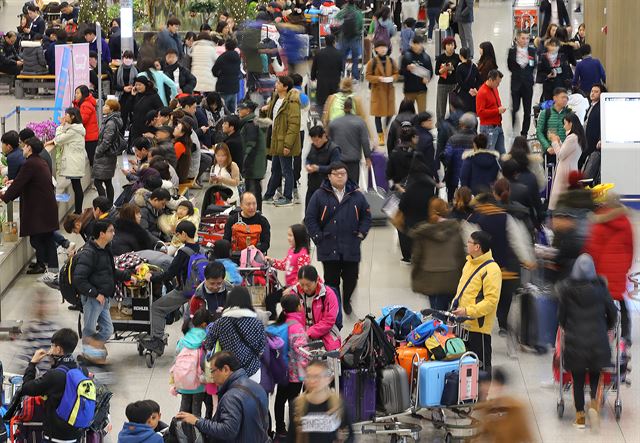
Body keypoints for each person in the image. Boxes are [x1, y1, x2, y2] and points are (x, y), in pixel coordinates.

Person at [557, 254, 616, 430]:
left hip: (576, 342)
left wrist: (567, 326)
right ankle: (595, 408)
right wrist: (606, 327)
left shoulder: (566, 290)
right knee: (596, 377)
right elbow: (612, 313)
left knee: (578, 379)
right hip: (597, 341)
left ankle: (580, 416)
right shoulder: (601, 288)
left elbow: (561, 317)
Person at [305, 162, 372, 315]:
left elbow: (366, 216)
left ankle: (346, 299)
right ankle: (335, 306)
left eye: (343, 173)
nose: (340, 176)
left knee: (351, 278)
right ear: (329, 176)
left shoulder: (356, 195)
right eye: (336, 174)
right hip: (328, 245)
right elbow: (310, 218)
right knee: (331, 281)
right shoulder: (319, 195)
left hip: (351, 244)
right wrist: (318, 238)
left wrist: (361, 233)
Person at [74, 220, 134, 363]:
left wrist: (128, 275)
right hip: (93, 299)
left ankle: (92, 351)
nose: (113, 233)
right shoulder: (89, 253)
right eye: (111, 231)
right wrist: (95, 294)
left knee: (107, 329)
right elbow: (79, 279)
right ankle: (88, 355)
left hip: (104, 298)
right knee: (89, 330)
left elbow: (110, 272)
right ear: (101, 234)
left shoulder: (106, 249)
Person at [175, 352, 270, 441]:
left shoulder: (231, 397)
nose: (211, 376)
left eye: (212, 371)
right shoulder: (257, 387)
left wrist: (197, 421)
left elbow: (228, 430)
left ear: (225, 369)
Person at [12, 329, 87, 443]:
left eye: (52, 346)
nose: (50, 350)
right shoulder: (82, 371)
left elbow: (26, 388)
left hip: (54, 438)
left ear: (58, 349)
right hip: (76, 436)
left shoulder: (54, 376)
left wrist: (32, 363)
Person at [141, 220, 201, 354]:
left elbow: (169, 274)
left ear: (184, 234)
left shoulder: (183, 252)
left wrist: (152, 277)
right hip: (198, 290)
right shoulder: (199, 248)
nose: (177, 237)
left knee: (157, 308)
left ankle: (157, 341)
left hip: (184, 291)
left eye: (178, 234)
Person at [1, 137, 58, 274]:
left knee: (38, 238)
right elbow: (23, 180)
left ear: (30, 148)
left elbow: (19, 184)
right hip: (45, 206)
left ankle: (44, 264)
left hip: (39, 209)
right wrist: (14, 182)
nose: (22, 149)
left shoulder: (30, 164)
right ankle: (46, 264)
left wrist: (4, 196)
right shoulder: (38, 161)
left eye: (24, 146)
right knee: (45, 236)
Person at [584, 193, 634, 343]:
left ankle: (604, 330)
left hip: (602, 271)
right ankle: (626, 334)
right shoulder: (625, 222)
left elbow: (593, 249)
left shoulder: (598, 221)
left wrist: (593, 270)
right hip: (619, 269)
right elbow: (630, 247)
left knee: (601, 301)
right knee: (621, 300)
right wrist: (626, 266)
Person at [450, 231, 502, 373]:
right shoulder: (469, 263)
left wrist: (467, 311)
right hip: (462, 324)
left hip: (478, 329)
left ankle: (482, 395)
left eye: (469, 242)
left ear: (477, 247)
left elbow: (491, 302)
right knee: (463, 367)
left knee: (481, 369)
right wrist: (453, 310)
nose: (467, 244)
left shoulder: (492, 270)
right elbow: (461, 290)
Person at [411, 198, 466, 310]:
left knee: (437, 315)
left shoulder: (423, 233)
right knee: (453, 313)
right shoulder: (455, 229)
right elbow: (461, 255)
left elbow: (417, 258)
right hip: (452, 277)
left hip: (431, 279)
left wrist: (415, 275)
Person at [203, 286, 266, 381]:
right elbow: (262, 348)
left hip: (227, 372)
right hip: (253, 371)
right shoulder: (257, 323)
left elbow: (208, 344)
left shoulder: (221, 323)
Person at [287, 359, 354, 442]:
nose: (312, 381)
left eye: (317, 376)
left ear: (328, 379)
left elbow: (351, 436)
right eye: (308, 376)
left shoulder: (339, 405)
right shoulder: (297, 405)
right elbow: (290, 438)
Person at [271, 294, 309, 437]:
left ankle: (280, 429)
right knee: (294, 401)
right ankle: (293, 431)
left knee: (280, 399)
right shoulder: (297, 326)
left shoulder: (281, 323)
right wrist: (308, 366)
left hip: (282, 370)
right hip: (295, 373)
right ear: (299, 307)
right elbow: (302, 351)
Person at [262, 76, 302, 207]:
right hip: (275, 140)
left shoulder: (292, 102)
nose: (276, 84)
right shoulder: (275, 98)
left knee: (286, 170)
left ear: (285, 87)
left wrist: (288, 144)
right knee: (275, 169)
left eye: (279, 83)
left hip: (284, 142)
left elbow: (294, 125)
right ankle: (268, 194)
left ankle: (288, 197)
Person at [45, 107, 87, 214]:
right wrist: (53, 141)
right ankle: (78, 211)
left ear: (73, 117)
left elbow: (60, 139)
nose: (64, 117)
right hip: (75, 160)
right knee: (76, 185)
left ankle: (78, 212)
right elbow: (63, 137)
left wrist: (60, 126)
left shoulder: (74, 130)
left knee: (77, 186)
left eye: (67, 115)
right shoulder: (75, 128)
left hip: (74, 162)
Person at [288, 265, 342, 350]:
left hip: (325, 331)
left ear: (317, 280)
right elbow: (290, 316)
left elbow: (328, 321)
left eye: (308, 285)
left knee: (330, 355)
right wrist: (299, 334)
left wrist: (308, 333)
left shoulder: (328, 294)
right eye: (302, 284)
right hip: (301, 333)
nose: (305, 288)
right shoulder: (294, 294)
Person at [395, 154, 437, 263]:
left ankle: (407, 257)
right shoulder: (430, 181)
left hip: (410, 218)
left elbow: (402, 205)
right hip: (426, 216)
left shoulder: (410, 181)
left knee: (400, 227)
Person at [171, 308, 211, 417]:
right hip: (198, 382)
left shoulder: (184, 338)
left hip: (184, 381)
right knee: (196, 411)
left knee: (184, 408)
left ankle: (180, 430)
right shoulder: (206, 337)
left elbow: (177, 355)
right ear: (204, 324)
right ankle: (195, 432)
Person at [328, 98, 370, 184]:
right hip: (353, 160)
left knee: (339, 185)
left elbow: (329, 142)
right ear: (353, 108)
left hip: (338, 160)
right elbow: (365, 140)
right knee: (353, 186)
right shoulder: (360, 122)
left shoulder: (334, 123)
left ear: (343, 108)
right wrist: (367, 157)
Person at [366, 40, 399, 146]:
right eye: (380, 47)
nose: (383, 49)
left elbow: (396, 73)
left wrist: (392, 78)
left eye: (385, 47)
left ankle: (385, 129)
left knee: (390, 113)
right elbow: (368, 76)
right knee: (378, 115)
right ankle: (380, 135)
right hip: (378, 92)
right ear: (376, 49)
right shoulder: (372, 62)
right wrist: (378, 78)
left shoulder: (391, 61)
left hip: (389, 91)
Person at [548, 113, 584, 210]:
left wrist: (555, 141)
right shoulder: (577, 137)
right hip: (570, 168)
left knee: (560, 198)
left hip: (565, 170)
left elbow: (561, 155)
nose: (564, 127)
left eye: (565, 124)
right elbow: (566, 151)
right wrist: (559, 142)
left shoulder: (572, 138)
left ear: (570, 123)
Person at [238, 100, 267, 212]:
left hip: (253, 163)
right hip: (256, 162)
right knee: (255, 189)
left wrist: (245, 163)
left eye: (241, 109)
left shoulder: (250, 124)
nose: (239, 111)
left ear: (248, 111)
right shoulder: (253, 122)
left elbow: (250, 145)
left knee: (252, 190)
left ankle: (254, 212)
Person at [93, 99, 122, 204]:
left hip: (105, 156)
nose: (103, 107)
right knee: (107, 181)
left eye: (106, 105)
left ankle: (104, 204)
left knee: (98, 182)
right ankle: (108, 204)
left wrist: (98, 151)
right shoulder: (112, 120)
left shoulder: (110, 123)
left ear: (111, 109)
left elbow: (106, 141)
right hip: (109, 156)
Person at [266, 224, 312, 290]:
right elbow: (284, 265)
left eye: (290, 235)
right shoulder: (291, 250)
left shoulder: (303, 255)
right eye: (288, 235)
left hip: (296, 289)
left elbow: (302, 276)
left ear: (298, 237)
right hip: (289, 286)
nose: (288, 238)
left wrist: (292, 288)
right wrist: (272, 261)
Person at [508, 30, 536, 137]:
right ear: (518, 39)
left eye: (527, 38)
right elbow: (510, 66)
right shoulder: (512, 52)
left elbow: (534, 66)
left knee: (527, 110)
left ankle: (524, 132)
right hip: (516, 84)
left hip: (528, 85)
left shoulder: (532, 51)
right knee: (514, 108)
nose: (525, 41)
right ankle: (514, 127)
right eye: (523, 38)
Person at [305, 125, 341, 207]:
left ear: (324, 136)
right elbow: (308, 158)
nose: (315, 143)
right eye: (313, 140)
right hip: (312, 185)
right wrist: (307, 165)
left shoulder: (334, 149)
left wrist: (318, 168)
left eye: (317, 140)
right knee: (309, 211)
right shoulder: (313, 146)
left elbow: (335, 168)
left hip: (327, 187)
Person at [443, 112, 476, 201]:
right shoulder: (477, 140)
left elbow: (447, 157)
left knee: (451, 201)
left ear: (461, 124)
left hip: (453, 178)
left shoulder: (453, 139)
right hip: (471, 179)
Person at [476, 69, 506, 154]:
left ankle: (502, 167)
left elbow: (495, 103)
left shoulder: (494, 88)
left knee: (502, 153)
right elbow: (480, 112)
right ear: (490, 80)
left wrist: (499, 109)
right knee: (489, 153)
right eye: (497, 82)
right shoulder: (482, 92)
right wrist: (497, 111)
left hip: (498, 126)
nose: (498, 85)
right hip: (489, 128)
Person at [400, 35, 432, 113]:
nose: (419, 46)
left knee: (422, 113)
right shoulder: (406, 56)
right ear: (412, 44)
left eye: (420, 44)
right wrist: (407, 68)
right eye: (417, 44)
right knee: (408, 113)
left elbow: (430, 72)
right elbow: (400, 72)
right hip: (409, 91)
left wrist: (428, 79)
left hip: (422, 90)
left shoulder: (426, 57)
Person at [536, 87, 569, 162]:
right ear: (555, 98)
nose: (565, 100)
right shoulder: (545, 113)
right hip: (550, 152)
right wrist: (547, 147)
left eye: (566, 98)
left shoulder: (569, 113)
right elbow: (539, 132)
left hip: (565, 152)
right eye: (563, 97)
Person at [310, 33, 342, 109]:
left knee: (322, 104)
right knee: (334, 103)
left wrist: (313, 77)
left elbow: (314, 68)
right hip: (335, 82)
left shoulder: (319, 53)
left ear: (325, 42)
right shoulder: (339, 54)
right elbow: (341, 68)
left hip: (322, 83)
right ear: (334, 41)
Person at [335, 0, 364, 81]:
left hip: (343, 38)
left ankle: (341, 75)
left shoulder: (342, 11)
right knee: (355, 58)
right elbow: (361, 25)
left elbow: (336, 22)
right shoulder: (358, 13)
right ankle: (355, 77)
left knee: (342, 57)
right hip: (355, 38)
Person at [536, 38, 572, 102]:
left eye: (556, 46)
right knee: (549, 105)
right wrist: (547, 76)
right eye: (551, 45)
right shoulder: (543, 57)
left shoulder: (562, 57)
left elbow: (567, 72)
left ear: (559, 47)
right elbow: (540, 72)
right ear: (547, 46)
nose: (554, 48)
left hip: (560, 85)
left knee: (560, 103)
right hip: (548, 86)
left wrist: (568, 87)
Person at [212, 38, 242, 113]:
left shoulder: (222, 57)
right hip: (234, 87)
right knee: (232, 111)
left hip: (223, 87)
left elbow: (214, 70)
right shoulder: (237, 57)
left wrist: (219, 75)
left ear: (225, 46)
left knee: (223, 110)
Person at [435, 37, 460, 122]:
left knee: (453, 107)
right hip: (442, 84)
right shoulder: (440, 58)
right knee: (441, 107)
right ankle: (440, 125)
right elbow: (436, 72)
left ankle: (453, 126)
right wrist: (442, 70)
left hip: (454, 84)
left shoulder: (457, 57)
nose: (450, 47)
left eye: (452, 45)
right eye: (448, 45)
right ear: (444, 46)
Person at [387, 123, 418, 191]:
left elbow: (389, 176)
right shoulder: (417, 155)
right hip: (414, 191)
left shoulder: (394, 153)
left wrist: (395, 187)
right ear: (412, 138)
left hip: (398, 192)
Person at [580, 83, 604, 169]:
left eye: (596, 92)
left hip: (594, 142)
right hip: (587, 140)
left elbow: (603, 124)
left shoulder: (600, 107)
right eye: (592, 91)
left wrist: (600, 139)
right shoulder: (592, 105)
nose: (592, 93)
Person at [454, 47, 481, 114]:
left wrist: (468, 89)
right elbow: (479, 79)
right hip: (472, 95)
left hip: (463, 94)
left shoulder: (459, 68)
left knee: (462, 115)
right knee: (472, 115)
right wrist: (475, 88)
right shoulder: (473, 66)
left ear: (460, 56)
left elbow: (459, 82)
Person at [173, 119, 193, 184]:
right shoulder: (185, 143)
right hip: (182, 176)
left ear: (182, 133)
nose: (175, 128)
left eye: (177, 128)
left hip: (178, 177)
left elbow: (172, 161)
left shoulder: (179, 145)